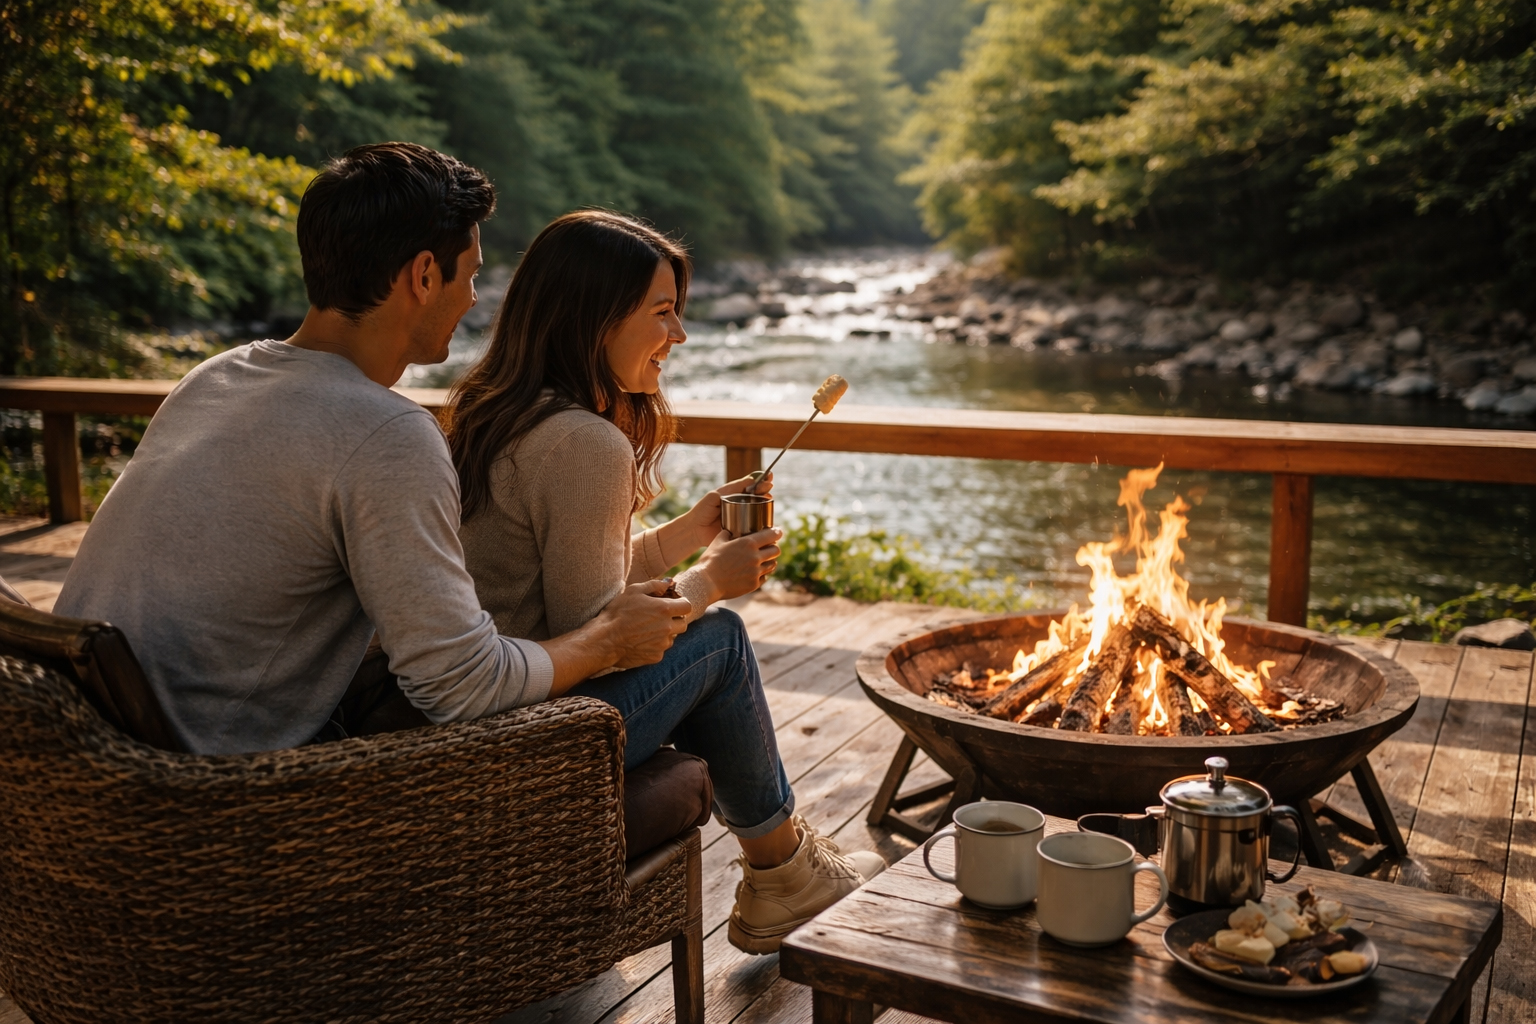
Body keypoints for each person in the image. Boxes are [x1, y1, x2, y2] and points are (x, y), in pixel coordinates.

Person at [54, 142, 690, 755]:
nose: (473, 301)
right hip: (211, 783)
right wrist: (606, 641)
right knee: (713, 648)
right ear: (422, 275)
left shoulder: (218, 375)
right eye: (468, 276)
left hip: (91, 745)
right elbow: (460, 687)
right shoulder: (385, 432)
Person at [445, 210, 884, 955]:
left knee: (710, 633)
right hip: (528, 732)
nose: (678, 335)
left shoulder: (497, 410)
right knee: (718, 641)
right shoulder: (586, 442)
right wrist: (709, 582)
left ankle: (783, 868)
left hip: (485, 701)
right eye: (661, 313)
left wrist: (683, 537)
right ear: (594, 318)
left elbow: (570, 589)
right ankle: (782, 873)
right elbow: (607, 640)